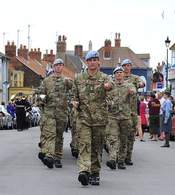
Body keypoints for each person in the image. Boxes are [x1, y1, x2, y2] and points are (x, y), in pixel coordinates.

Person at [72, 50, 113, 186]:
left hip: (99, 120)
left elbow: (112, 92)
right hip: (83, 119)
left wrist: (108, 88)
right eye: (90, 60)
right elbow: (74, 97)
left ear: (98, 62)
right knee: (84, 145)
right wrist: (74, 103)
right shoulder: (79, 79)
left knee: (96, 147)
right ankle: (84, 171)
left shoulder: (105, 78)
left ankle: (95, 173)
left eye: (95, 60)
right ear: (87, 62)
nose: (93, 62)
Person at [38, 59, 72, 169]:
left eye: (60, 65)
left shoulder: (66, 80)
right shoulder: (47, 81)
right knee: (50, 134)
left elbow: (73, 87)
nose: (58, 67)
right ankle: (49, 156)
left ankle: (57, 157)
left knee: (59, 136)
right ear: (54, 67)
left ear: (63, 67)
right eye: (56, 65)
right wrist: (42, 100)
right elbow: (41, 94)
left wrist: (68, 82)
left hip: (62, 112)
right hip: (49, 112)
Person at [106, 66, 135, 170]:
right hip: (113, 116)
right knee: (112, 138)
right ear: (114, 75)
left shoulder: (128, 85)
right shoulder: (111, 85)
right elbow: (105, 91)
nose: (119, 74)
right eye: (117, 72)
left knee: (123, 139)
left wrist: (132, 92)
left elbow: (133, 91)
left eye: (120, 72)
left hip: (125, 116)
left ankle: (121, 160)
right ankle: (112, 159)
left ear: (123, 74)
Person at [121, 59, 145, 166]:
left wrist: (141, 84)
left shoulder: (134, 78)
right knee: (121, 135)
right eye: (124, 66)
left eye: (128, 65)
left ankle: (128, 156)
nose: (126, 67)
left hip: (132, 111)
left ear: (130, 66)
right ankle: (120, 155)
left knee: (131, 135)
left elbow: (141, 83)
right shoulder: (119, 77)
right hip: (120, 111)